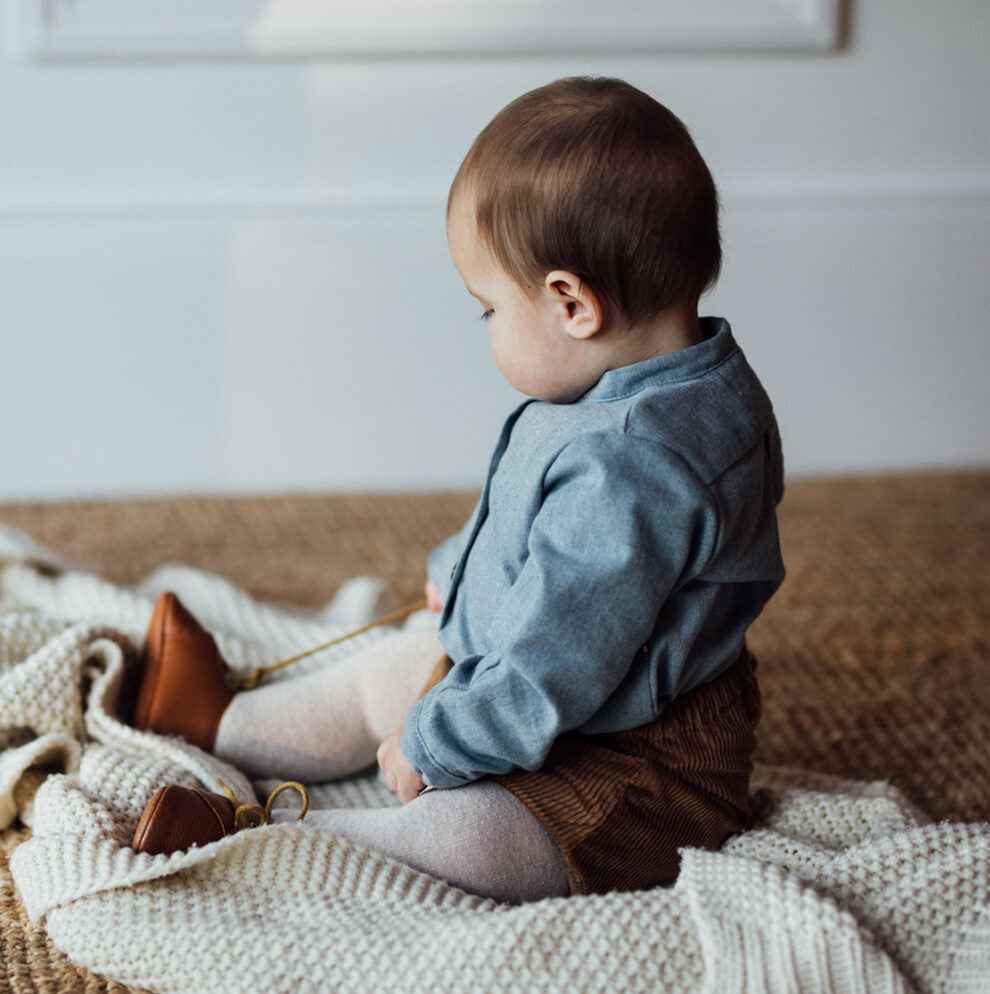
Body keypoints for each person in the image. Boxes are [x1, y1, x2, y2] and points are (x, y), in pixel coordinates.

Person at [128, 76, 784, 905]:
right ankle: (219, 723)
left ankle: (268, 839)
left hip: (636, 762)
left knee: (471, 835)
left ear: (571, 302)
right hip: (563, 673)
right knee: (394, 668)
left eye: (487, 310)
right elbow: (535, 519)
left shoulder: (636, 470)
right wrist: (464, 574)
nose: (486, 330)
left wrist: (433, 746)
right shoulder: (663, 381)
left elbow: (551, 669)